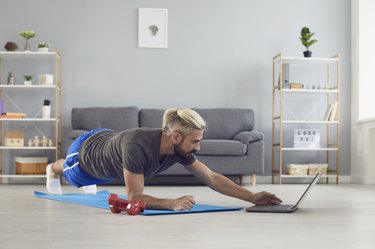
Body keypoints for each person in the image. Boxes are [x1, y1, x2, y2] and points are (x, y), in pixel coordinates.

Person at [46, 108, 282, 210]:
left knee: (103, 174)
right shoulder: (137, 147)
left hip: (110, 142)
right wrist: (170, 202)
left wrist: (251, 196)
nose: (198, 148)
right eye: (195, 141)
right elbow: (134, 198)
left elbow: (210, 178)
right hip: (86, 153)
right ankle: (51, 169)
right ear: (176, 136)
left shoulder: (179, 149)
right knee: (69, 172)